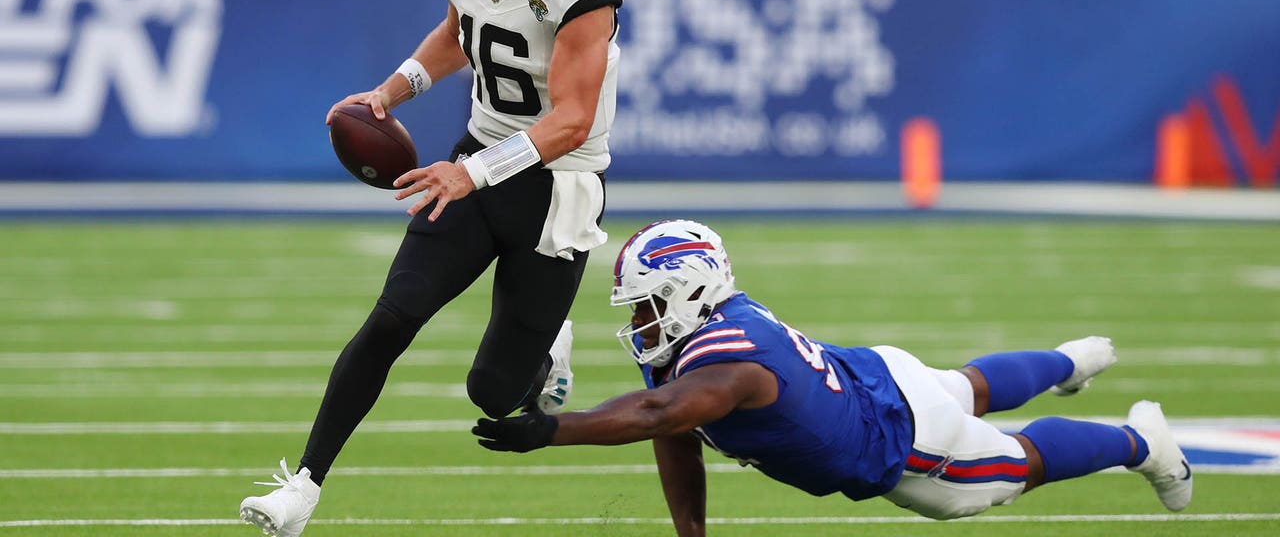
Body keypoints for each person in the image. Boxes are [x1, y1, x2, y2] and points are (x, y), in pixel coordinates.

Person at [239, 0, 623, 536]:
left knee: (494, 393)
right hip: (476, 156)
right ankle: (303, 487)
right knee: (393, 315)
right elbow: (458, 31)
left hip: (555, 187)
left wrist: (471, 173)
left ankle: (544, 348)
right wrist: (390, 92)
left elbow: (570, 121)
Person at [473, 219, 1194, 532]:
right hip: (875, 378)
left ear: (692, 288)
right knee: (966, 382)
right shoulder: (706, 331)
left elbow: (662, 415)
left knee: (1015, 467)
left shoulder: (728, 359)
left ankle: (1141, 442)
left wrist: (550, 432)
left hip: (904, 447)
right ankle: (1069, 360)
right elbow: (675, 419)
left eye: (650, 304)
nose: (641, 322)